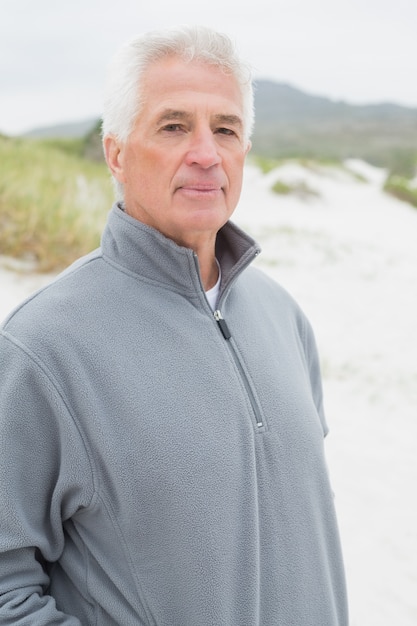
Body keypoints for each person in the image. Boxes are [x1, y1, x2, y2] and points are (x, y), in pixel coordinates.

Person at [0, 25, 348, 625]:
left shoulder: (284, 317)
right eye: (173, 126)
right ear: (116, 152)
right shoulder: (42, 346)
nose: (206, 154)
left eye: (226, 129)